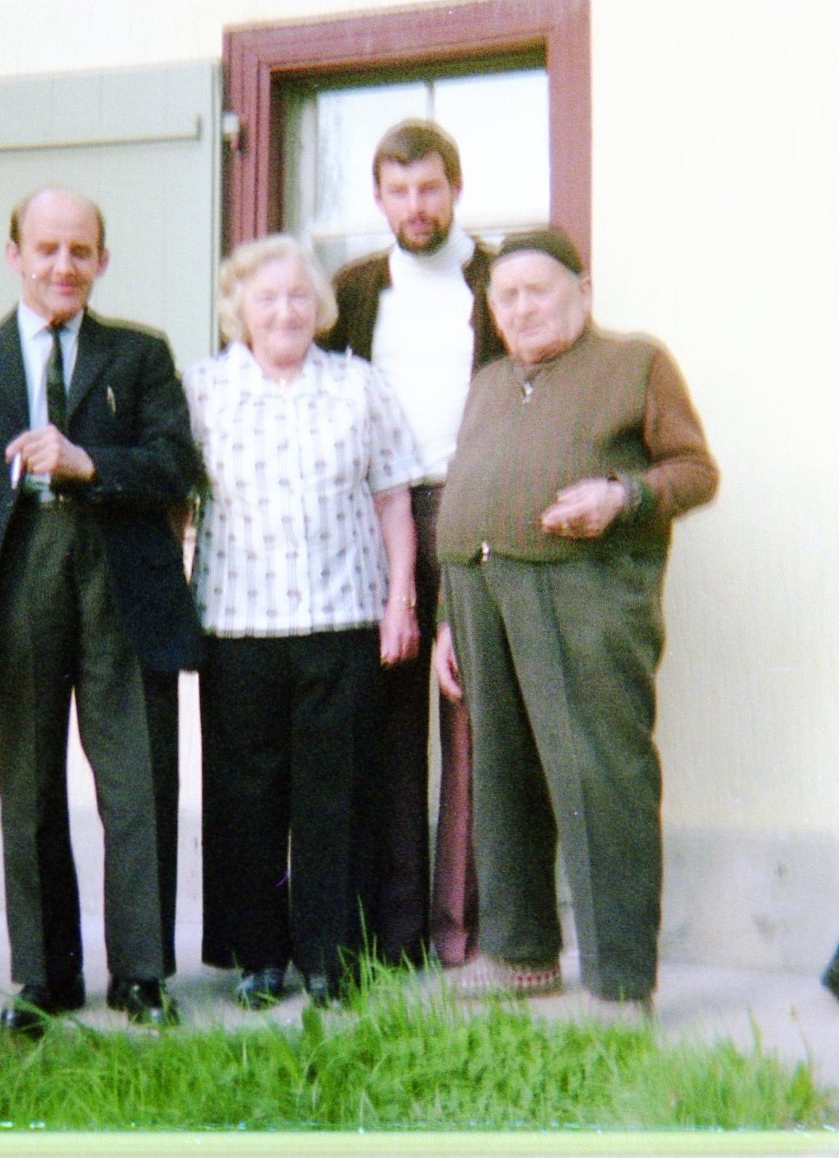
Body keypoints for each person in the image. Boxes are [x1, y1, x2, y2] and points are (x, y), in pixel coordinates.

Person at [0, 187, 200, 1034]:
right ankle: (45, 977)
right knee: (30, 784)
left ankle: (142, 976)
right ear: (14, 255)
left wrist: (89, 462)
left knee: (137, 781)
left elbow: (176, 467)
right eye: (46, 248)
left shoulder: (140, 354)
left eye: (80, 250)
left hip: (120, 579)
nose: (63, 266)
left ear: (102, 260)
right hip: (18, 579)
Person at [433, 226, 719, 1013]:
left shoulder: (635, 363)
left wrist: (622, 495)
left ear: (583, 293)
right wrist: (448, 619)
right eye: (506, 297)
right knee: (503, 779)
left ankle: (620, 983)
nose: (521, 308)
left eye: (539, 291)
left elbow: (696, 471)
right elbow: (473, 486)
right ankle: (520, 955)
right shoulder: (490, 382)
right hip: (481, 593)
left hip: (583, 594)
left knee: (601, 778)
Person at [185, 234, 422, 1008]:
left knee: (338, 797)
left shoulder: (359, 386)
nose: (283, 311)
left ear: (319, 305)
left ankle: (330, 956)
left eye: (297, 295)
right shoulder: (204, 389)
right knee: (244, 796)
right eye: (266, 297)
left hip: (342, 617)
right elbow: (174, 505)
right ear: (238, 309)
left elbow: (393, 498)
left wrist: (400, 600)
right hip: (236, 624)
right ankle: (257, 956)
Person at [323, 119, 504, 968]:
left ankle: (458, 935)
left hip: (473, 511)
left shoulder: (498, 279)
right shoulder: (355, 288)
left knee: (469, 721)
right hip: (382, 518)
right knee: (389, 724)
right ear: (379, 197)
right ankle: (395, 936)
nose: (415, 205)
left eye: (429, 188)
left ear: (455, 188)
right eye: (398, 191)